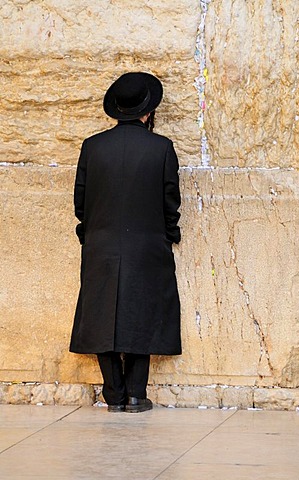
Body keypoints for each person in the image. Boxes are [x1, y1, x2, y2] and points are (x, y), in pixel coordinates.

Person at [69, 72, 181, 413]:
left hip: (101, 245)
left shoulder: (92, 147)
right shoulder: (161, 148)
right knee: (141, 314)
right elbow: (170, 201)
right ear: (147, 113)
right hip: (147, 246)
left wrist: (89, 233)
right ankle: (135, 394)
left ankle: (113, 395)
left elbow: (81, 202)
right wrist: (169, 233)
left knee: (102, 314)